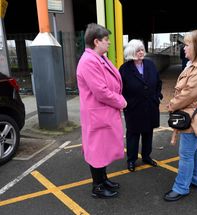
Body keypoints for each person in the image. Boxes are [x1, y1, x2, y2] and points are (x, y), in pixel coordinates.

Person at [164, 30, 197, 202]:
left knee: (186, 154)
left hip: (193, 116)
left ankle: (181, 187)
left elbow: (189, 93)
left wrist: (172, 104)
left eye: (187, 45)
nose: (184, 48)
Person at [76, 23, 127, 199]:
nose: (109, 43)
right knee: (97, 151)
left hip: (104, 112)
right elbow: (101, 91)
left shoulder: (100, 58)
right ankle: (97, 186)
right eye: (106, 40)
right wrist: (121, 101)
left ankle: (103, 179)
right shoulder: (89, 61)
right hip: (98, 114)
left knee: (103, 149)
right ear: (96, 41)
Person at [119, 39, 163, 172]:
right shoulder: (125, 68)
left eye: (142, 49)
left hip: (150, 105)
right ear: (131, 52)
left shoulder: (150, 64)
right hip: (133, 107)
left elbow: (158, 82)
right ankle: (131, 160)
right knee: (133, 134)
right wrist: (126, 103)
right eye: (138, 50)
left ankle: (146, 156)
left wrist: (157, 97)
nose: (141, 52)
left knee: (148, 132)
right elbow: (120, 88)